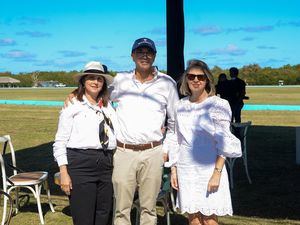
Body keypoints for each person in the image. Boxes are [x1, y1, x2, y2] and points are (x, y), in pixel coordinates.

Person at [110, 37, 179, 225]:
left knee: (149, 209)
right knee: (121, 208)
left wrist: (165, 150)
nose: (144, 55)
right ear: (132, 55)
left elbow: (174, 122)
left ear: (155, 56)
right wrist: (75, 94)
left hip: (153, 152)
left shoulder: (167, 83)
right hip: (123, 152)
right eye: (140, 52)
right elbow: (98, 96)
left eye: (149, 52)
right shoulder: (120, 80)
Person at [168, 59, 242, 225]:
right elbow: (175, 138)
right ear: (186, 79)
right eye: (192, 76)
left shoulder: (219, 105)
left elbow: (224, 141)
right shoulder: (179, 105)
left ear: (207, 79)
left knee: (209, 219)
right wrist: (174, 169)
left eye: (200, 77)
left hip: (210, 167)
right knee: (193, 217)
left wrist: (217, 172)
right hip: (186, 167)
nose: (196, 80)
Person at [53, 61, 116, 225]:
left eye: (99, 79)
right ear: (83, 81)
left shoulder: (109, 106)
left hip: (106, 163)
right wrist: (64, 172)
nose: (96, 82)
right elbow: (60, 142)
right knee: (83, 216)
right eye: (91, 78)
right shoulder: (72, 105)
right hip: (81, 164)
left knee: (103, 214)